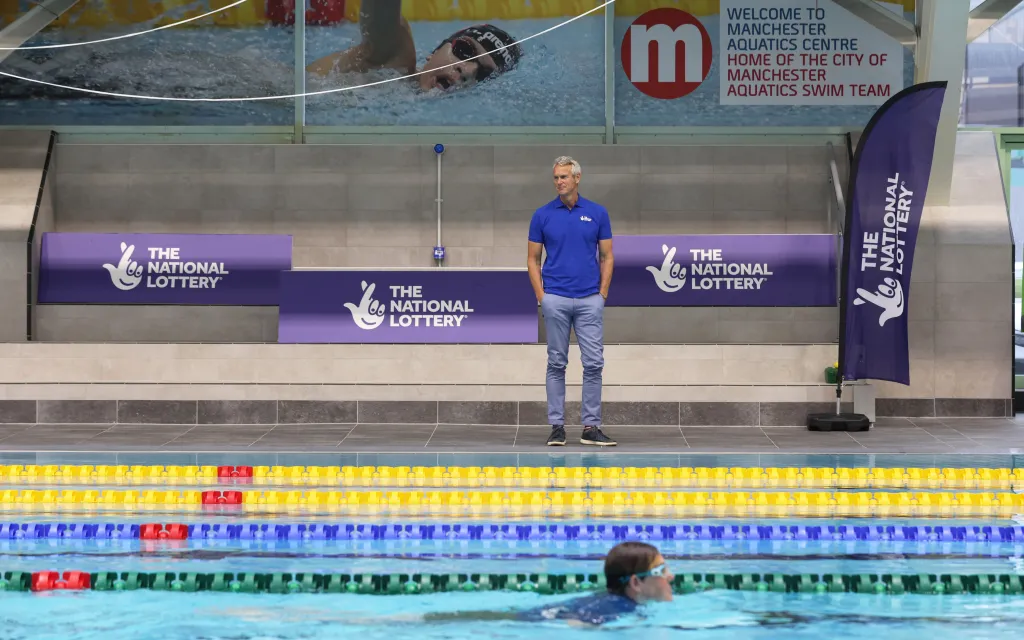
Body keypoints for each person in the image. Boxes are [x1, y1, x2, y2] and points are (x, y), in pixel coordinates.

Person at [527, 156, 616, 447]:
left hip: (590, 299)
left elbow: (607, 256)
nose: (559, 182)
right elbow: (532, 259)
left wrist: (602, 294)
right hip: (556, 299)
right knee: (556, 363)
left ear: (577, 178)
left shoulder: (597, 213)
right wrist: (543, 297)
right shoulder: (542, 215)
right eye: (555, 177)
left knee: (593, 364)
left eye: (564, 177)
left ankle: (591, 427)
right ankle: (557, 426)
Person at [306, 0, 523, 92]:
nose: (467, 70)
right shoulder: (393, 59)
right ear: (435, 51)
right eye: (464, 51)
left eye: (483, 74)